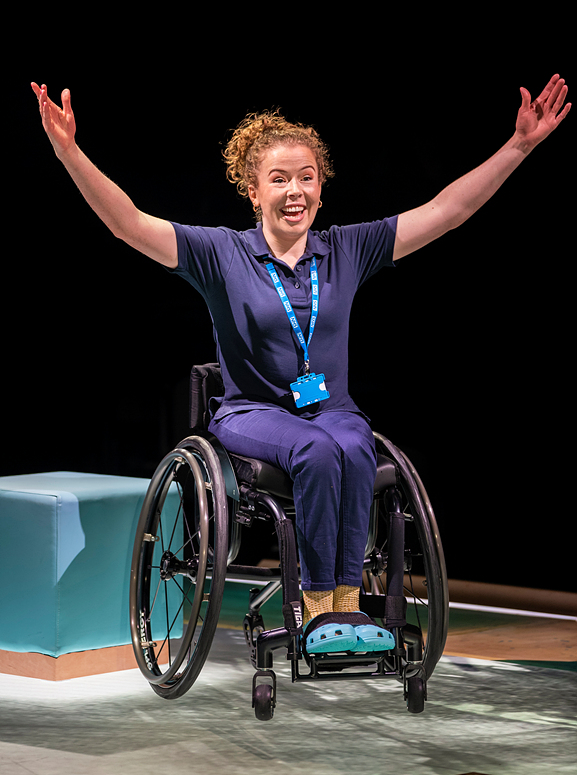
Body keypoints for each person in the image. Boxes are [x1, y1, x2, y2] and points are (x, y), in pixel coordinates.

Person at [31, 76, 570, 654]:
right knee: (316, 450)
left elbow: (447, 211)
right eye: (280, 179)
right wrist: (69, 152)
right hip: (251, 414)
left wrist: (520, 145)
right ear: (253, 191)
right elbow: (129, 224)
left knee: (356, 445)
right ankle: (318, 612)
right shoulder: (222, 253)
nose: (295, 191)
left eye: (307, 177)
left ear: (321, 187)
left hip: (332, 411)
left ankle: (349, 608)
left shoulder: (345, 249)